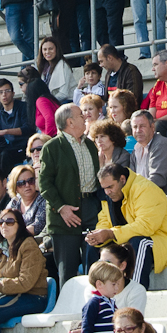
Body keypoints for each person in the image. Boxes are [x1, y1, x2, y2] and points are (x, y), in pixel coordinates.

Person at [90, 162, 167, 288]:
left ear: (122, 179)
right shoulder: (109, 195)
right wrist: (97, 236)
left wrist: (111, 233)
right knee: (93, 247)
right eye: (104, 188)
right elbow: (104, 222)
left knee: (140, 243)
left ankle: (135, 294)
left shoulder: (145, 189)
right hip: (128, 243)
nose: (107, 192)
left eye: (110, 187)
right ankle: (97, 295)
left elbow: (146, 226)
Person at [39, 104, 101, 285]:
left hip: (91, 208)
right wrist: (60, 207)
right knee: (67, 272)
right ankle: (69, 311)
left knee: (95, 268)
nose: (85, 117)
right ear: (70, 122)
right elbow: (44, 183)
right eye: (81, 115)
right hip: (64, 215)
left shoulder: (90, 145)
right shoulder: (52, 147)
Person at [0, 208, 49, 327]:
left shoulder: (29, 246)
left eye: (10, 222)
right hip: (8, 294)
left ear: (20, 225)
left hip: (33, 297)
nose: (4, 225)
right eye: (1, 222)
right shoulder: (0, 248)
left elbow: (25, 283)